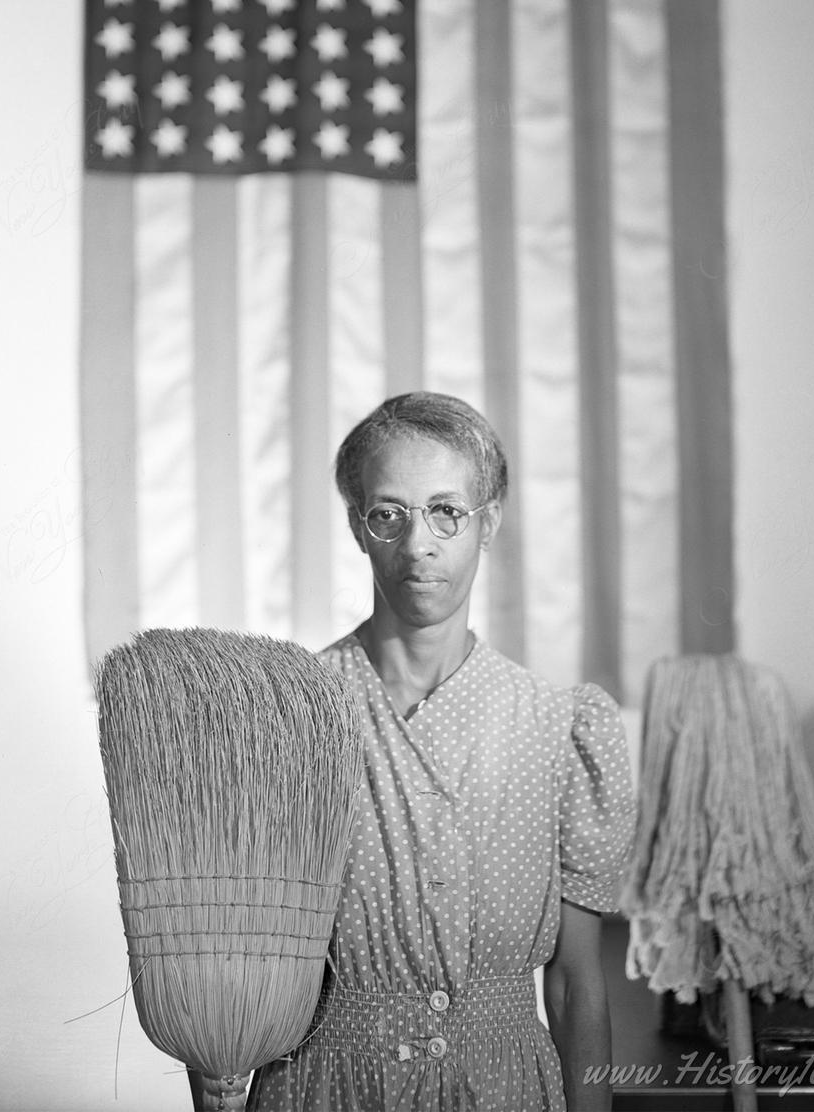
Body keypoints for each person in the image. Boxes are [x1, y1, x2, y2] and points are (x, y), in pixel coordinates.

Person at [247, 392, 635, 1112]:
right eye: (387, 513)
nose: (417, 544)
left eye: (445, 512)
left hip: (506, 1090)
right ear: (358, 529)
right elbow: (243, 962)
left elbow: (578, 984)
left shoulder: (555, 726)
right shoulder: (290, 714)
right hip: (328, 1089)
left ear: (489, 522)